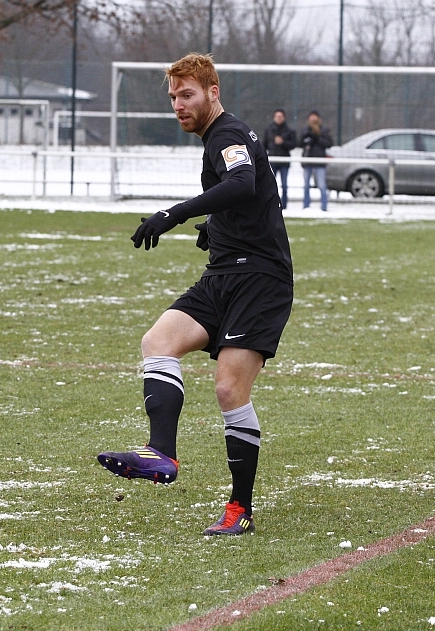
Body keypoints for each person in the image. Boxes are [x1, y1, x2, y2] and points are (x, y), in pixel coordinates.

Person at [96, 53, 294, 536]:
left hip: (261, 281)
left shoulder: (228, 134)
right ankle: (160, 453)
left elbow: (244, 182)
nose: (178, 105)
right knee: (158, 342)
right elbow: (263, 191)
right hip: (222, 275)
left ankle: (239, 509)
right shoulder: (225, 139)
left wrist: (176, 214)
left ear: (213, 92)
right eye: (173, 98)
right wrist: (217, 225)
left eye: (187, 95)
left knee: (228, 389)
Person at [299, 110, 333, 211]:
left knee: (322, 185)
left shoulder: (324, 130)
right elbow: (300, 143)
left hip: (320, 161)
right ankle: (306, 207)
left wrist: (318, 138)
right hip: (308, 161)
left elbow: (329, 143)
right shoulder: (305, 130)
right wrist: (308, 138)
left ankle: (324, 207)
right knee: (306, 185)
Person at [264, 109, 297, 209]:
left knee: (284, 185)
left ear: (284, 117)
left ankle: (284, 206)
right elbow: (264, 144)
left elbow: (294, 144)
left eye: (280, 116)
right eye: (277, 116)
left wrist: (283, 142)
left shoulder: (289, 130)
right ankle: (270, 205)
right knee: (270, 185)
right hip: (272, 160)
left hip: (284, 161)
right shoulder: (269, 129)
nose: (279, 118)